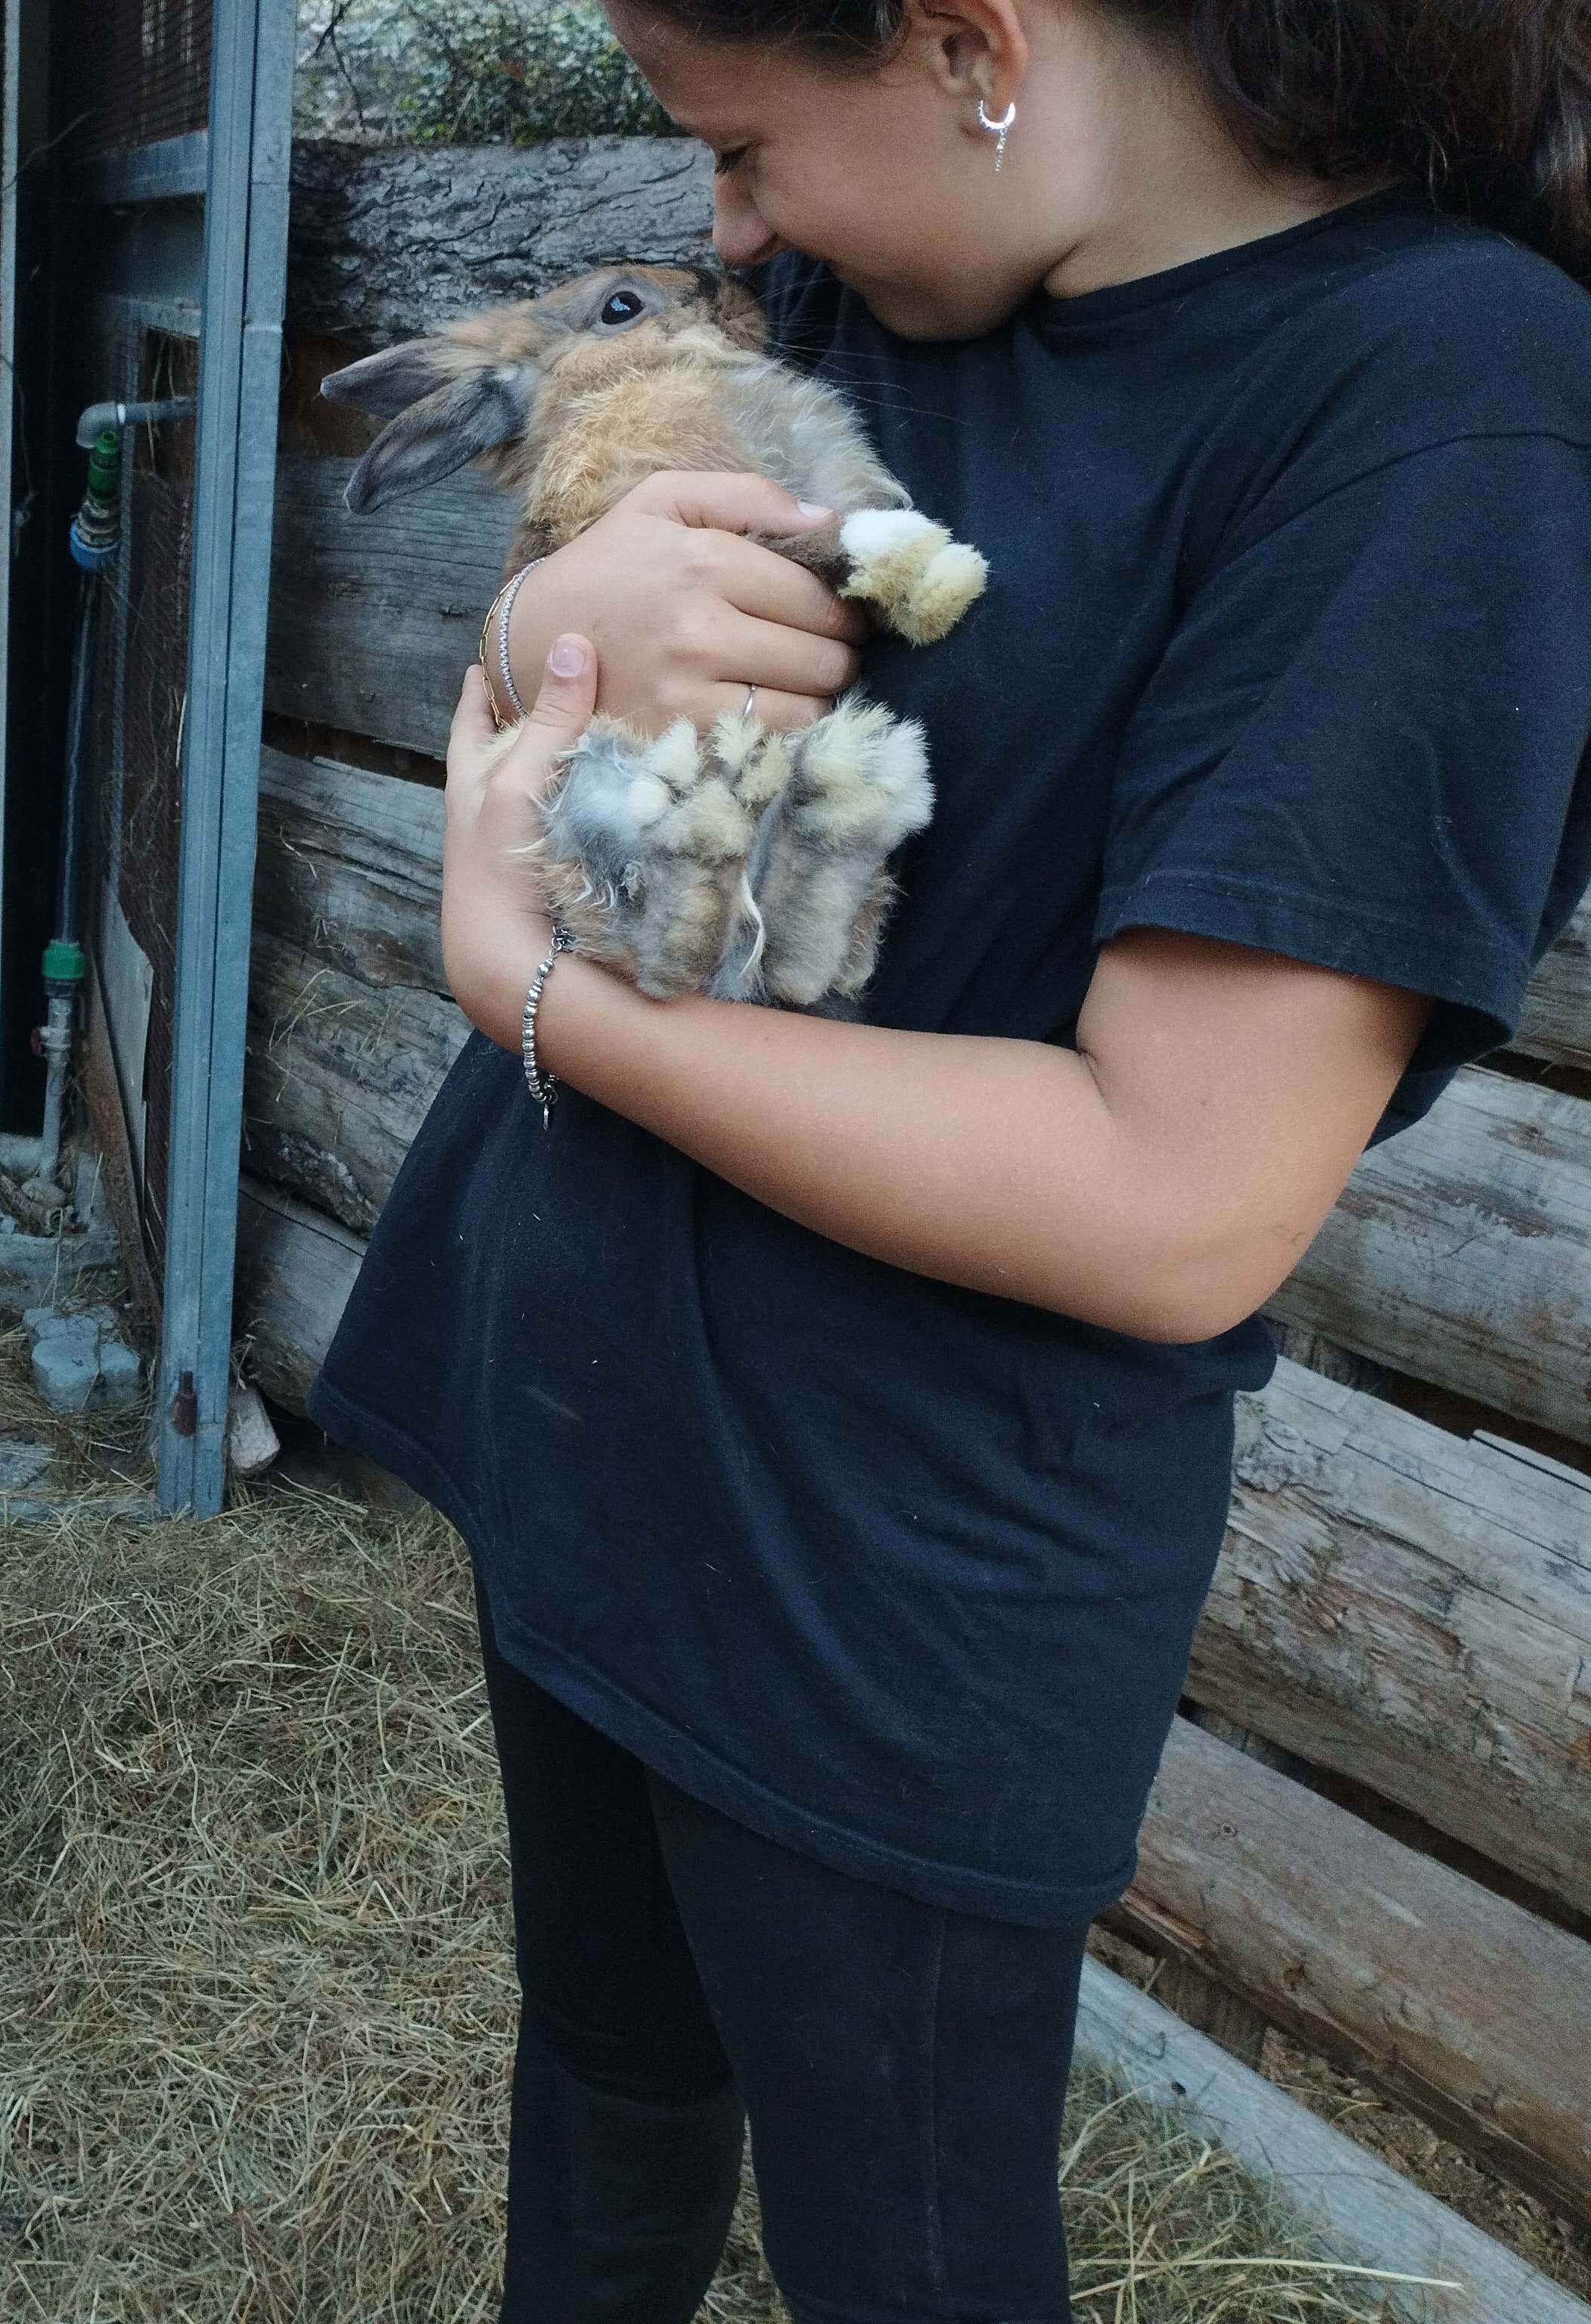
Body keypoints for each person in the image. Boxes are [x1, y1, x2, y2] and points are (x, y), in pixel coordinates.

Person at [304, 2, 1591, 2317]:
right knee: (604, 2068)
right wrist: (542, 627)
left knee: (905, 2252)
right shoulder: (860, 280)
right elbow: (585, 656)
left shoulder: (1439, 404)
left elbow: (1175, 1198)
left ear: (972, 43)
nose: (728, 226)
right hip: (583, 1393)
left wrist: (538, 990)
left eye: (743, 143)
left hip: (890, 1561)